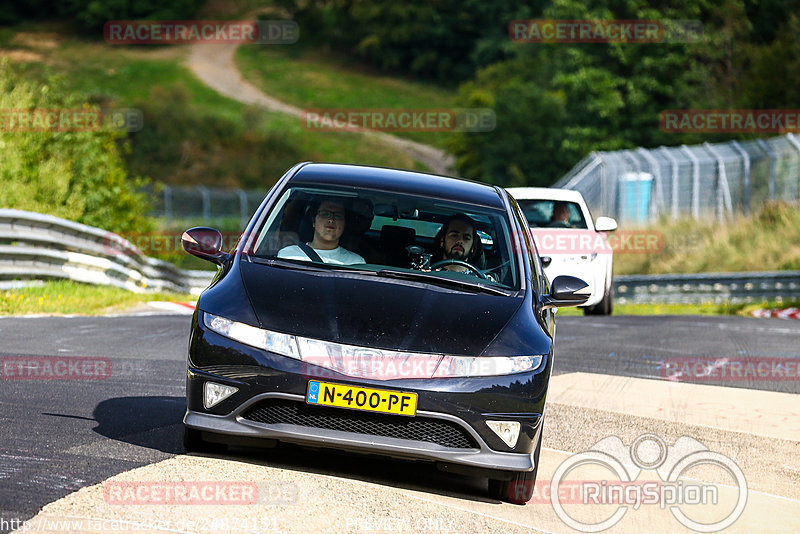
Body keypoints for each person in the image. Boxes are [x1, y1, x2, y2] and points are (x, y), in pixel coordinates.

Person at [277, 199, 365, 264]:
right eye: (325, 214)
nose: (331, 220)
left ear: (344, 224)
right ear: (313, 221)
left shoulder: (356, 262)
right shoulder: (288, 255)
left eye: (338, 216)